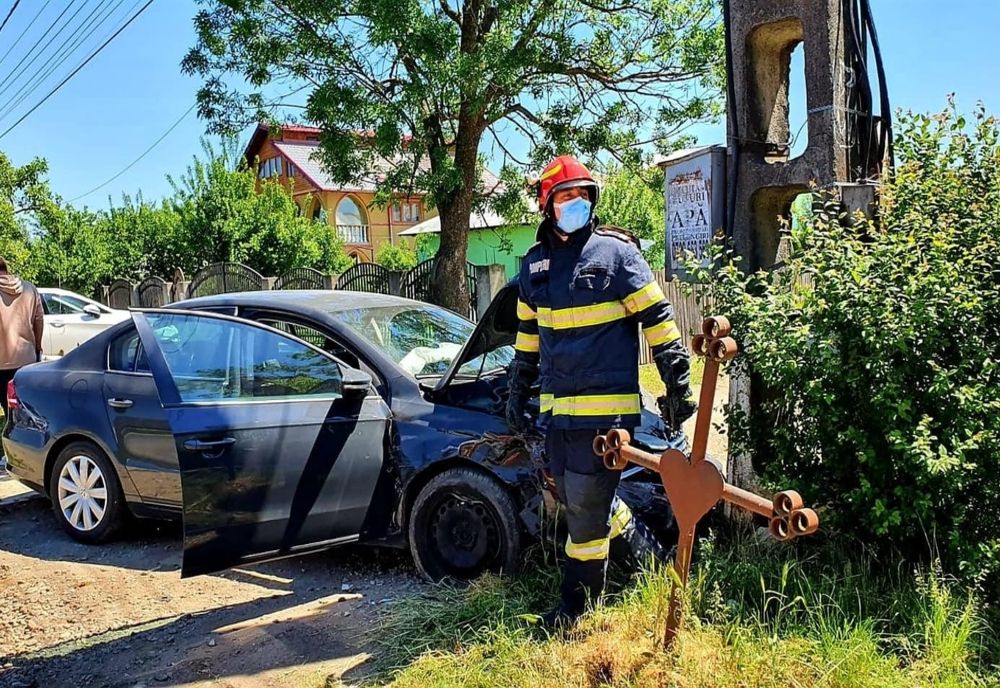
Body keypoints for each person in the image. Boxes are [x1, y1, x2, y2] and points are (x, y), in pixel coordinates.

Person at [506, 155, 696, 628]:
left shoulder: (617, 254)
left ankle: (577, 608)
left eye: (583, 196)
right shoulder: (534, 269)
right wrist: (516, 391)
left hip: (605, 418)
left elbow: (657, 319)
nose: (576, 204)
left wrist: (677, 380)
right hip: (558, 419)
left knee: (585, 516)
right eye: (566, 197)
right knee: (579, 504)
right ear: (547, 206)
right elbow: (528, 343)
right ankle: (650, 562)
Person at [0, 256, 44, 415]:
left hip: (1, 362)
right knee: (26, 405)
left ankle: (12, 432)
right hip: (26, 359)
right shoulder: (29, 288)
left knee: (7, 406)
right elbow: (39, 321)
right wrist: (38, 347)